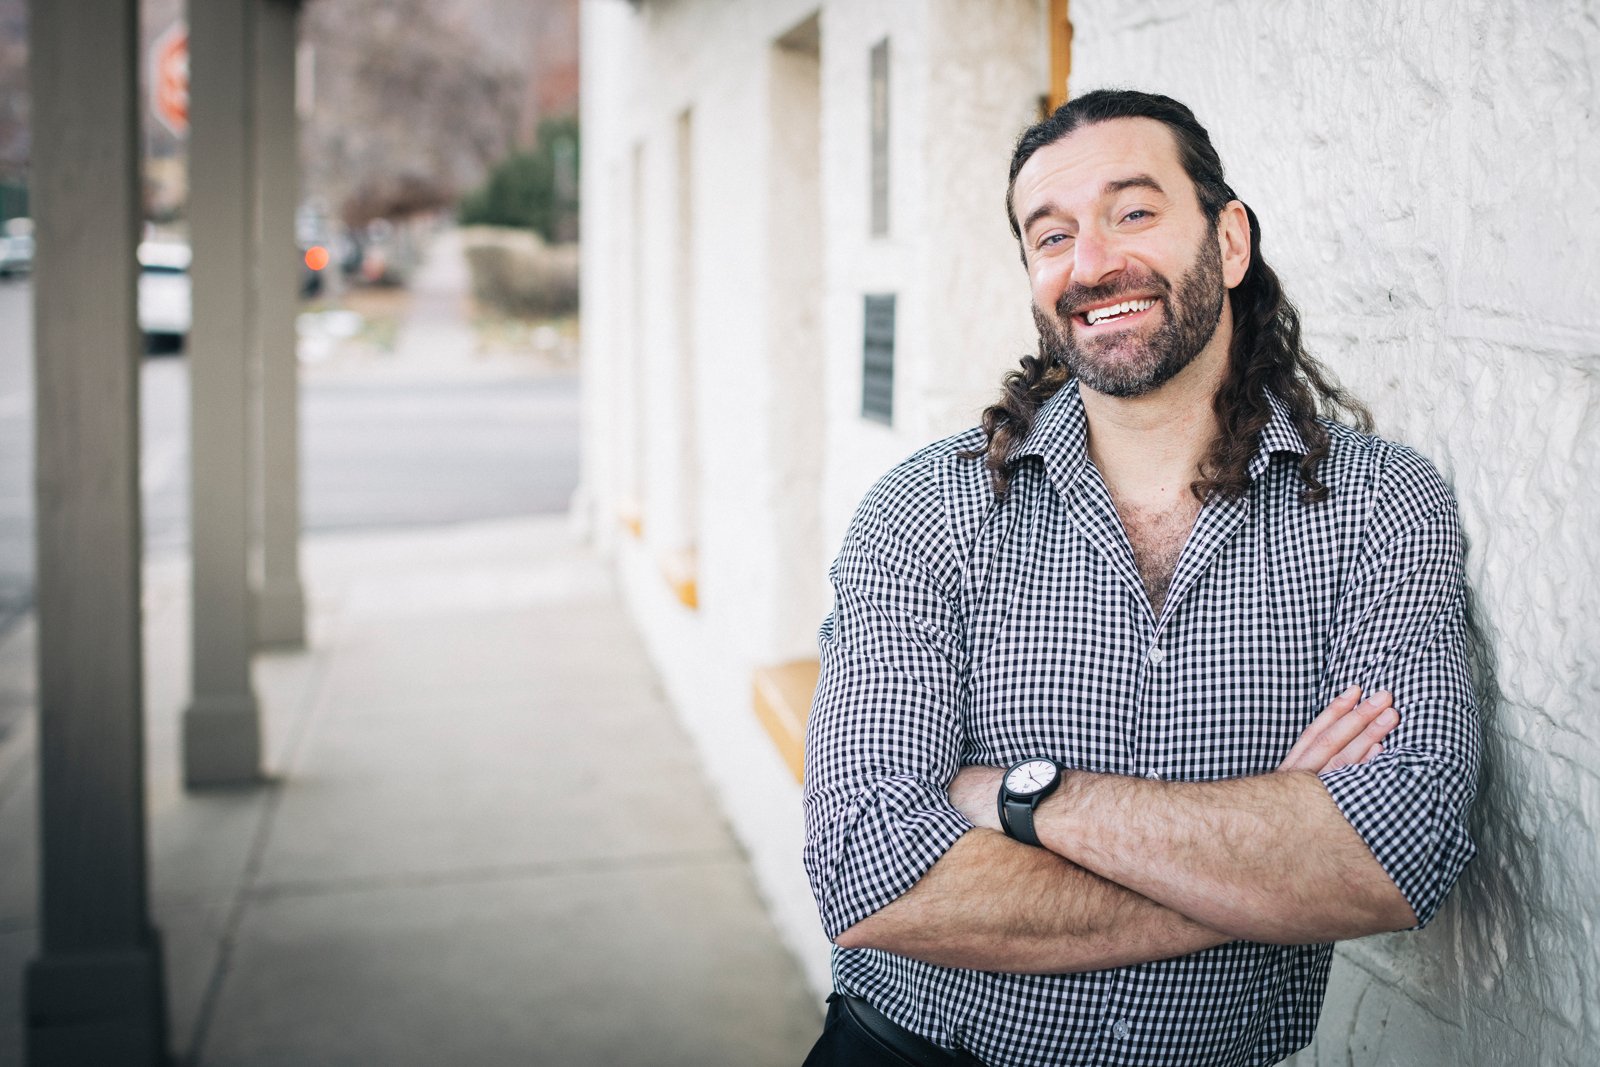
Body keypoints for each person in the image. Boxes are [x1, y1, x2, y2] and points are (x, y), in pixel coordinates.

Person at [800, 89, 1479, 1067]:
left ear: (1229, 241)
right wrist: (1268, 857)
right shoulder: (924, 513)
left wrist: (1028, 797)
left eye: (1133, 212)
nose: (1092, 264)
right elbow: (866, 869)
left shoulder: (1378, 506)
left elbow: (1399, 849)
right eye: (1051, 235)